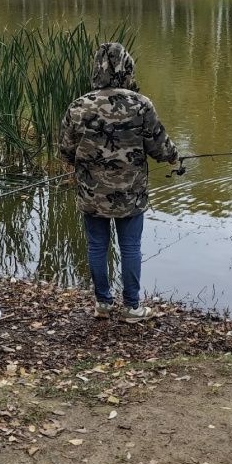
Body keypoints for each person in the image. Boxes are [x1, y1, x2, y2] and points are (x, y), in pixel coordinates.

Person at [59, 43, 178, 323]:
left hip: (92, 193)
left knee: (97, 246)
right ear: (127, 66)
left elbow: (65, 150)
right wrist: (173, 156)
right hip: (130, 193)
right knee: (130, 247)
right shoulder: (140, 104)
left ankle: (103, 304)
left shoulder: (79, 106)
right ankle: (132, 308)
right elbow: (159, 146)